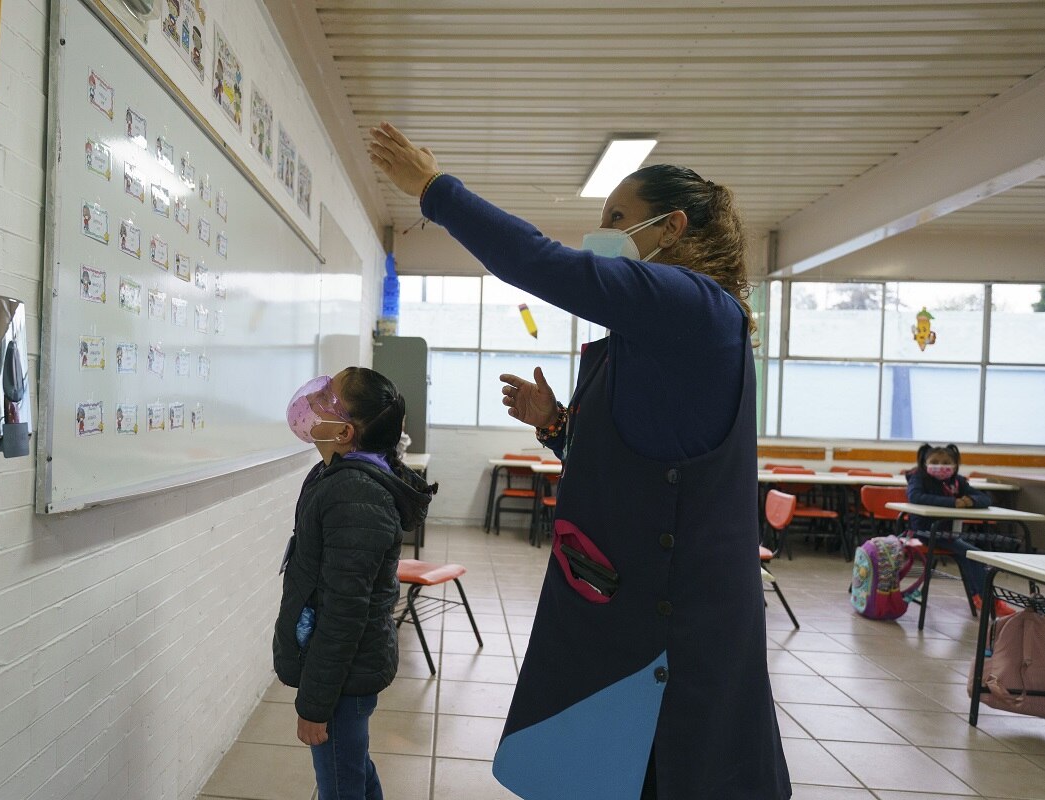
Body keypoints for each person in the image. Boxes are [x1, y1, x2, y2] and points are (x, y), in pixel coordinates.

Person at [367, 122, 790, 799]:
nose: (605, 235)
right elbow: (648, 460)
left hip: (664, 614)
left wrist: (433, 189)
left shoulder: (694, 306)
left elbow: (543, 263)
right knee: (615, 764)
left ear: (672, 226)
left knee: (669, 764)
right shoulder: (659, 329)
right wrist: (559, 424)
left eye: (617, 220)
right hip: (623, 591)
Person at [272, 367, 437, 800]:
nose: (315, 394)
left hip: (343, 676)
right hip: (344, 669)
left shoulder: (355, 495)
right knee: (353, 767)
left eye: (328, 394)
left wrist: (315, 705)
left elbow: (344, 615)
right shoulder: (338, 475)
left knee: (341, 783)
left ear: (344, 432)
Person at [905, 443, 1015, 617]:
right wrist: (952, 502)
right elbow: (915, 496)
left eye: (946, 462)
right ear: (925, 463)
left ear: (955, 465)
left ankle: (978, 596)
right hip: (925, 532)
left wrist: (970, 500)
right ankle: (989, 600)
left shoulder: (957, 481)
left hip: (949, 534)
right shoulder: (918, 478)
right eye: (935, 461)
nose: (940, 466)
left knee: (969, 556)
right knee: (974, 554)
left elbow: (985, 498)